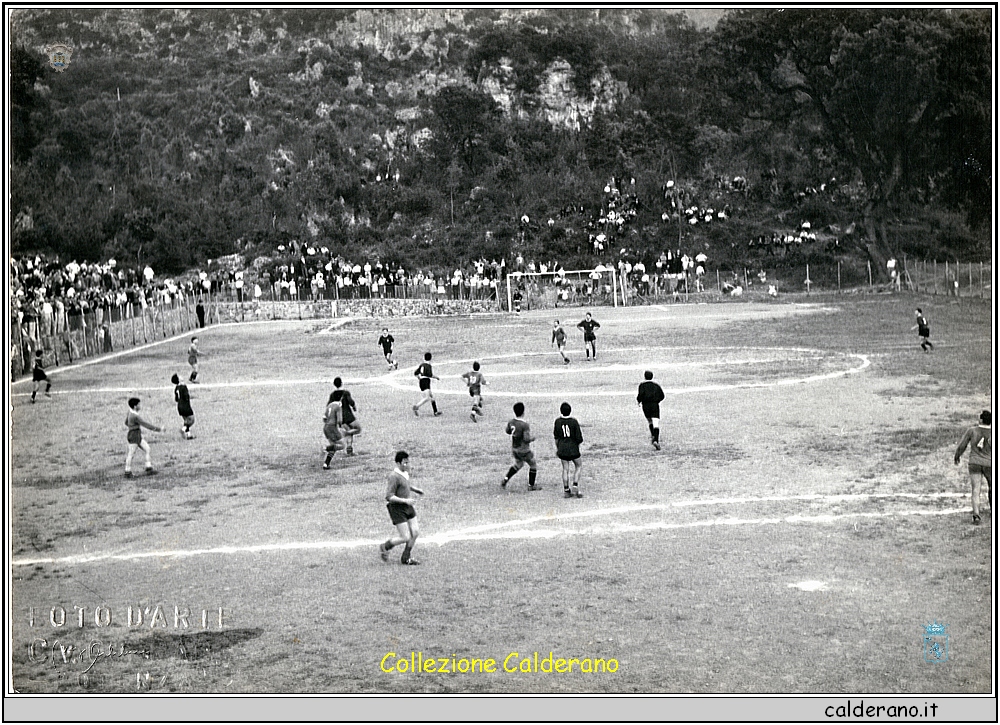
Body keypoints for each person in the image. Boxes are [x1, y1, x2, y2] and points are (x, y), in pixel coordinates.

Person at [378, 451, 424, 565]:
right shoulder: (393, 476)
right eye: (405, 463)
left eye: (408, 462)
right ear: (398, 463)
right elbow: (389, 496)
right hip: (397, 509)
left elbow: (405, 485)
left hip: (407, 506)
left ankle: (406, 557)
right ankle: (385, 546)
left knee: (415, 532)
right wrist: (405, 500)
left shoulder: (405, 473)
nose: (407, 465)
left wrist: (414, 489)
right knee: (405, 537)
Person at [955, 410, 992, 526]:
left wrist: (957, 456)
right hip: (989, 464)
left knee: (976, 489)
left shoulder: (972, 431)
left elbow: (962, 445)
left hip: (974, 463)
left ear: (981, 420)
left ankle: (976, 514)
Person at [501, 402, 540, 490]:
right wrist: (532, 438)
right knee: (533, 464)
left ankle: (505, 479)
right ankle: (531, 485)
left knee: (518, 464)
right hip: (524, 450)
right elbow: (526, 439)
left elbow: (507, 431)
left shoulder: (511, 422)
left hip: (515, 448)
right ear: (523, 412)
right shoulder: (524, 425)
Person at [125, 397, 162, 477]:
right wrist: (158, 429)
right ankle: (127, 471)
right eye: (139, 404)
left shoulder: (129, 413)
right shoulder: (135, 416)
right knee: (131, 454)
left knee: (147, 449)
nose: (140, 406)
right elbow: (145, 424)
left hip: (134, 434)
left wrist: (131, 426)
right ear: (135, 406)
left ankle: (148, 467)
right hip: (135, 435)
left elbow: (126, 422)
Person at [553, 401, 584, 498]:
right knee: (578, 466)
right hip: (573, 448)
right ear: (570, 411)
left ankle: (566, 490)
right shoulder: (574, 422)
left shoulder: (557, 421)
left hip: (562, 448)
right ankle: (575, 485)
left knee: (565, 469)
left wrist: (558, 449)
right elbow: (579, 438)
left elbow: (556, 438)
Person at [636, 370, 665, 451]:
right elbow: (662, 396)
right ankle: (656, 440)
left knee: (650, 421)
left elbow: (640, 395)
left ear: (645, 377)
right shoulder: (656, 386)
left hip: (645, 406)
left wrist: (639, 401)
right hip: (654, 405)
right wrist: (657, 401)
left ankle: (653, 436)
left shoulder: (642, 385)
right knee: (656, 423)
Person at [333, 377, 361, 455]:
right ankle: (345, 434)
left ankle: (349, 447)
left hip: (340, 417)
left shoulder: (333, 395)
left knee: (350, 430)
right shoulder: (345, 393)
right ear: (341, 383)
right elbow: (351, 402)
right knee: (358, 429)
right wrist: (354, 407)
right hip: (348, 416)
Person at [412, 352, 441, 417]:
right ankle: (416, 406)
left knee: (432, 397)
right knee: (427, 398)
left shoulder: (422, 365)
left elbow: (416, 373)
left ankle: (435, 411)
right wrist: (436, 377)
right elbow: (430, 375)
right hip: (426, 381)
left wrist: (419, 378)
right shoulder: (428, 366)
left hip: (422, 381)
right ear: (431, 358)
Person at [322, 392, 344, 469]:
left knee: (333, 447)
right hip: (332, 428)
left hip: (326, 427)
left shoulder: (329, 405)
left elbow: (324, 418)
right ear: (340, 398)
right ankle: (325, 448)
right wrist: (341, 427)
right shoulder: (338, 406)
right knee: (342, 445)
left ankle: (326, 464)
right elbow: (339, 420)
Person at [172, 373, 195, 439]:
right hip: (185, 406)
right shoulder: (184, 387)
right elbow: (186, 396)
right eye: (179, 376)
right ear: (179, 380)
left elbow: (176, 399)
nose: (181, 376)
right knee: (192, 420)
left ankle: (189, 435)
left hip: (179, 406)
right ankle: (183, 429)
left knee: (186, 420)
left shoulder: (176, 388)